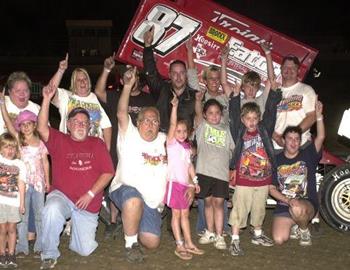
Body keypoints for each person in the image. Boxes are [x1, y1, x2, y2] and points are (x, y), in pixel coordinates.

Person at [37, 83, 114, 269]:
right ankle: (48, 254)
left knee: (85, 250)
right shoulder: (59, 140)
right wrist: (46, 99)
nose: (81, 125)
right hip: (62, 196)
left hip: (87, 203)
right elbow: (41, 128)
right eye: (76, 122)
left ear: (89, 126)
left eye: (84, 123)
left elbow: (108, 172)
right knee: (52, 209)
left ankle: (75, 227)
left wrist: (90, 194)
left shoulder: (97, 143)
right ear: (68, 125)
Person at [109, 67, 168, 263]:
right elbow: (120, 113)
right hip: (125, 190)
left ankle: (134, 219)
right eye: (146, 120)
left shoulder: (164, 139)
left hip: (152, 200)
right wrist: (127, 86)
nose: (150, 125)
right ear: (138, 122)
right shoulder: (130, 134)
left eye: (154, 121)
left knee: (152, 243)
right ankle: (130, 244)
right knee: (134, 199)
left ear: (159, 125)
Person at [95, 55, 155, 238]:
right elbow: (98, 91)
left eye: (134, 75)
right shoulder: (115, 96)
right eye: (127, 75)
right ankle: (114, 220)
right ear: (122, 80)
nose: (131, 78)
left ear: (138, 78)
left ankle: (136, 216)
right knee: (115, 181)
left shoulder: (148, 99)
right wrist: (106, 69)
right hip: (117, 148)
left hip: (139, 151)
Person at [227, 78, 281, 255]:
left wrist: (274, 93)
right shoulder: (239, 131)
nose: (251, 122)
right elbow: (233, 116)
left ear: (259, 119)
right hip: (244, 180)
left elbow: (271, 113)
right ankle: (234, 240)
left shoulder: (264, 130)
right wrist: (235, 97)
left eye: (255, 118)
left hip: (263, 179)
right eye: (248, 118)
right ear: (243, 120)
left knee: (259, 208)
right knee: (239, 208)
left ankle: (257, 234)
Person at [186, 39, 233, 236]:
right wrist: (189, 50)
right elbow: (191, 75)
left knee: (220, 196)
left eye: (216, 79)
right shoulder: (201, 95)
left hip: (221, 152)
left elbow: (224, 82)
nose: (214, 82)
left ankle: (223, 228)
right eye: (210, 78)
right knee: (204, 195)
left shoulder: (225, 99)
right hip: (203, 153)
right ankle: (204, 228)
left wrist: (223, 61)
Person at [0, 92, 50, 258]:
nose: (26, 126)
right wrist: (2, 103)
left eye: (29, 123)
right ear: (19, 127)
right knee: (22, 215)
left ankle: (40, 245)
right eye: (23, 124)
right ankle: (21, 247)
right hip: (22, 185)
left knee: (39, 215)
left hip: (39, 185)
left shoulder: (41, 143)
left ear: (34, 125)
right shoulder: (18, 141)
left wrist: (48, 182)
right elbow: (7, 122)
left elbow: (45, 162)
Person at [269, 99, 325, 246]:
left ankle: (304, 229)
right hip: (285, 204)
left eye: (297, 139)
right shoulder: (276, 159)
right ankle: (295, 224)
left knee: (298, 208)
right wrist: (287, 200)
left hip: (307, 204)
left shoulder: (308, 155)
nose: (293, 142)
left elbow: (321, 137)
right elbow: (271, 188)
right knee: (279, 239)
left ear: (300, 142)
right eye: (290, 139)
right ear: (283, 141)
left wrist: (319, 117)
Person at [164, 94, 204, 260]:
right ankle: (179, 244)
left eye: (183, 131)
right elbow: (173, 124)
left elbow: (189, 166)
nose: (180, 133)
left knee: (185, 215)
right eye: (178, 131)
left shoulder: (187, 147)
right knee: (176, 215)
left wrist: (195, 182)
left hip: (184, 185)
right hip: (174, 184)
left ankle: (188, 242)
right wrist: (174, 107)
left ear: (188, 133)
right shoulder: (171, 144)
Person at [195, 94, 235, 251]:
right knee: (207, 202)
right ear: (205, 114)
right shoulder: (202, 126)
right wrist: (198, 100)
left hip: (220, 174)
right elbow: (198, 114)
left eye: (217, 112)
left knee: (219, 204)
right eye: (210, 112)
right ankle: (210, 232)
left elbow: (232, 149)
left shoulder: (226, 130)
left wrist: (231, 167)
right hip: (204, 172)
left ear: (222, 115)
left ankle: (219, 235)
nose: (214, 116)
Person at [49, 53, 112, 149]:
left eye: (85, 79)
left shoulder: (94, 98)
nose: (82, 82)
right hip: (70, 149)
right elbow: (50, 90)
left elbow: (107, 126)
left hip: (94, 150)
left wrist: (106, 152)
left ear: (89, 81)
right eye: (78, 80)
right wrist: (61, 71)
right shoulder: (66, 96)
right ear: (74, 83)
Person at [143, 26, 196, 132]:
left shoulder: (194, 96)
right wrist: (148, 46)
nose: (178, 77)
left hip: (184, 145)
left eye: (181, 73)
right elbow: (151, 73)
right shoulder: (162, 89)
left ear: (186, 75)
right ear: (170, 75)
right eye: (175, 73)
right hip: (162, 140)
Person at [0, 133, 26, 268]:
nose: (9, 150)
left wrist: (22, 203)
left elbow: (22, 184)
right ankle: (1, 254)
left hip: (13, 203)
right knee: (2, 229)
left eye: (12, 148)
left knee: (12, 229)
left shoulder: (19, 164)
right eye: (6, 147)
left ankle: (11, 253)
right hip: (0, 203)